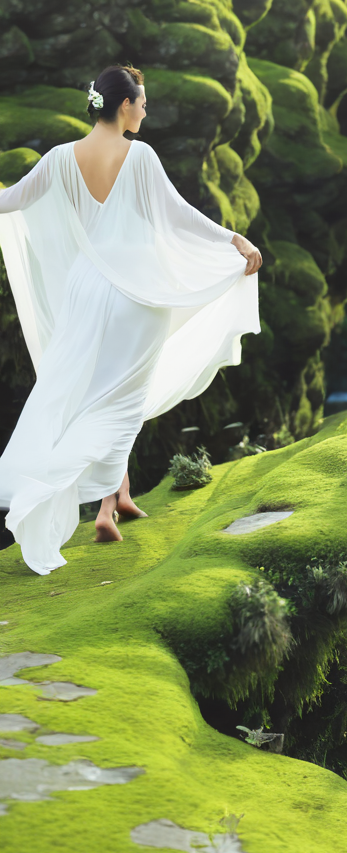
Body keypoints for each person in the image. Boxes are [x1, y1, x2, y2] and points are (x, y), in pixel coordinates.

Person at [0, 64, 262, 576]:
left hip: (84, 289)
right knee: (122, 403)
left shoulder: (59, 158)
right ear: (124, 106)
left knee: (95, 393)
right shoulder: (139, 156)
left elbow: (8, 203)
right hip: (135, 294)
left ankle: (112, 503)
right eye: (142, 103)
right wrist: (234, 238)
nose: (145, 110)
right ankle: (50, 486)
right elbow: (179, 213)